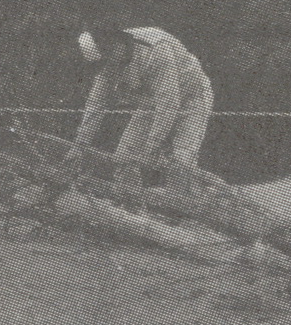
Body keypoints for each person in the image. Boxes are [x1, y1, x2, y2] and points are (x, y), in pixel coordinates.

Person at [70, 27, 213, 197]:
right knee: (124, 157)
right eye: (103, 64)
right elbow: (96, 105)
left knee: (181, 160)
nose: (108, 67)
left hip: (192, 97)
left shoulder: (155, 50)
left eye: (108, 60)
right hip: (152, 102)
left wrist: (151, 148)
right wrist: (79, 146)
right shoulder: (107, 65)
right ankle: (130, 206)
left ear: (117, 45)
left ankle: (186, 213)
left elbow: (169, 105)